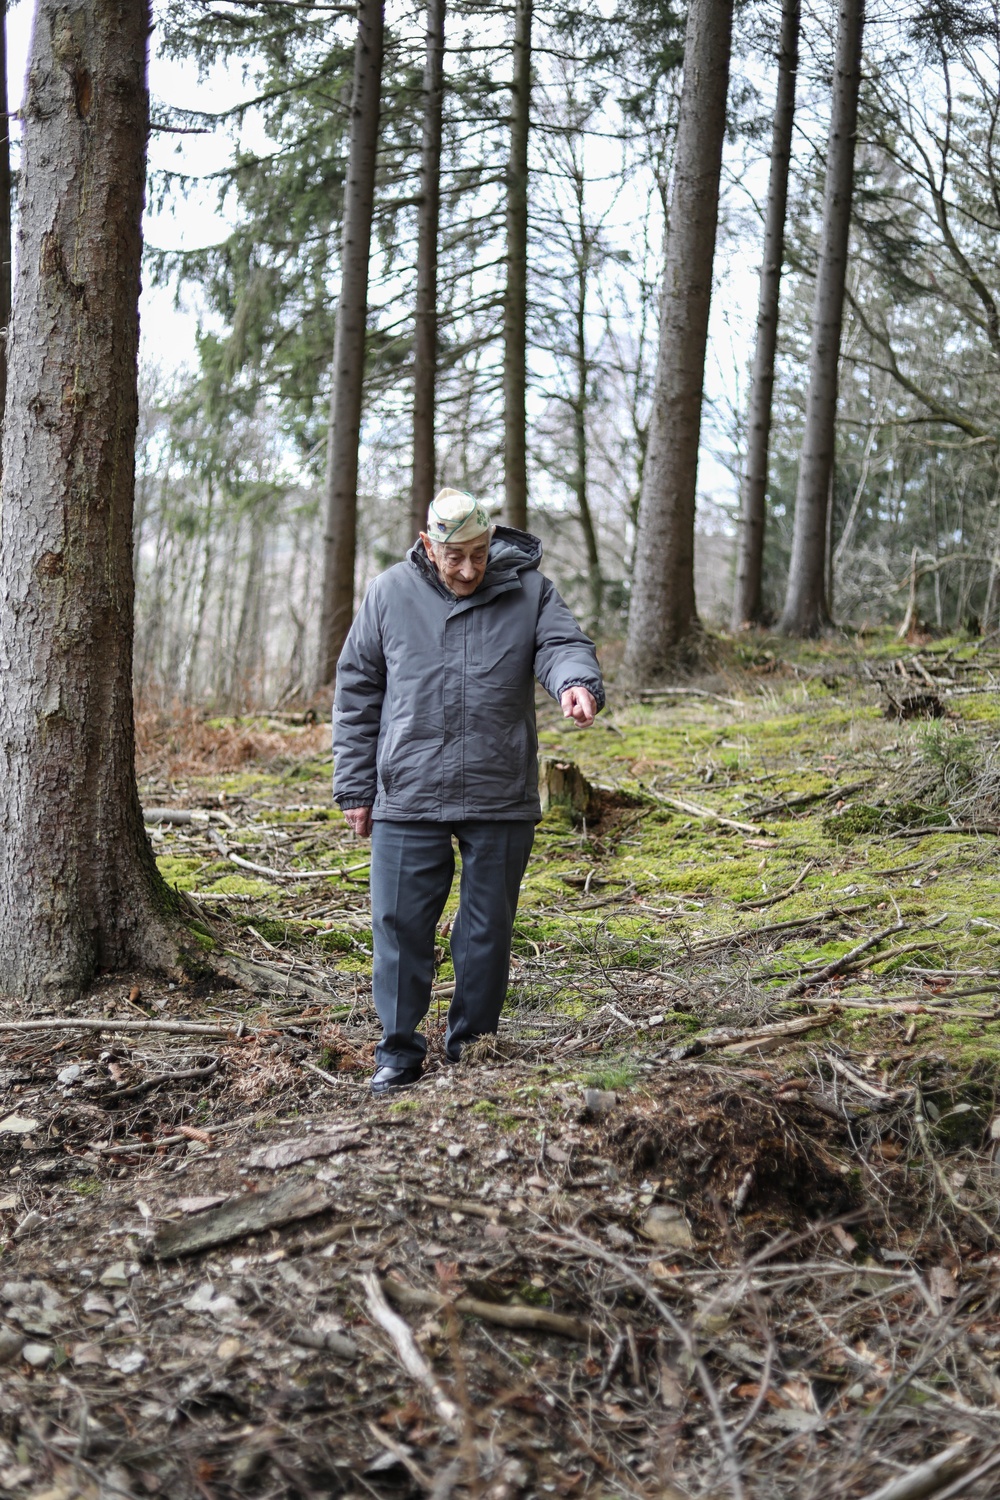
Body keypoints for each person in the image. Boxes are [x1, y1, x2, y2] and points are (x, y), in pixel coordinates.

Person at [333, 488, 604, 1095]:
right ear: (428, 545)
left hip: (497, 785)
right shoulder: (388, 593)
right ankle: (398, 1053)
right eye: (455, 556)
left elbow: (562, 645)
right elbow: (357, 693)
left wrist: (575, 683)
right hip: (408, 788)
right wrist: (355, 784)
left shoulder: (529, 589)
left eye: (479, 554)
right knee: (399, 924)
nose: (468, 569)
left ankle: (473, 1048)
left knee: (486, 929)